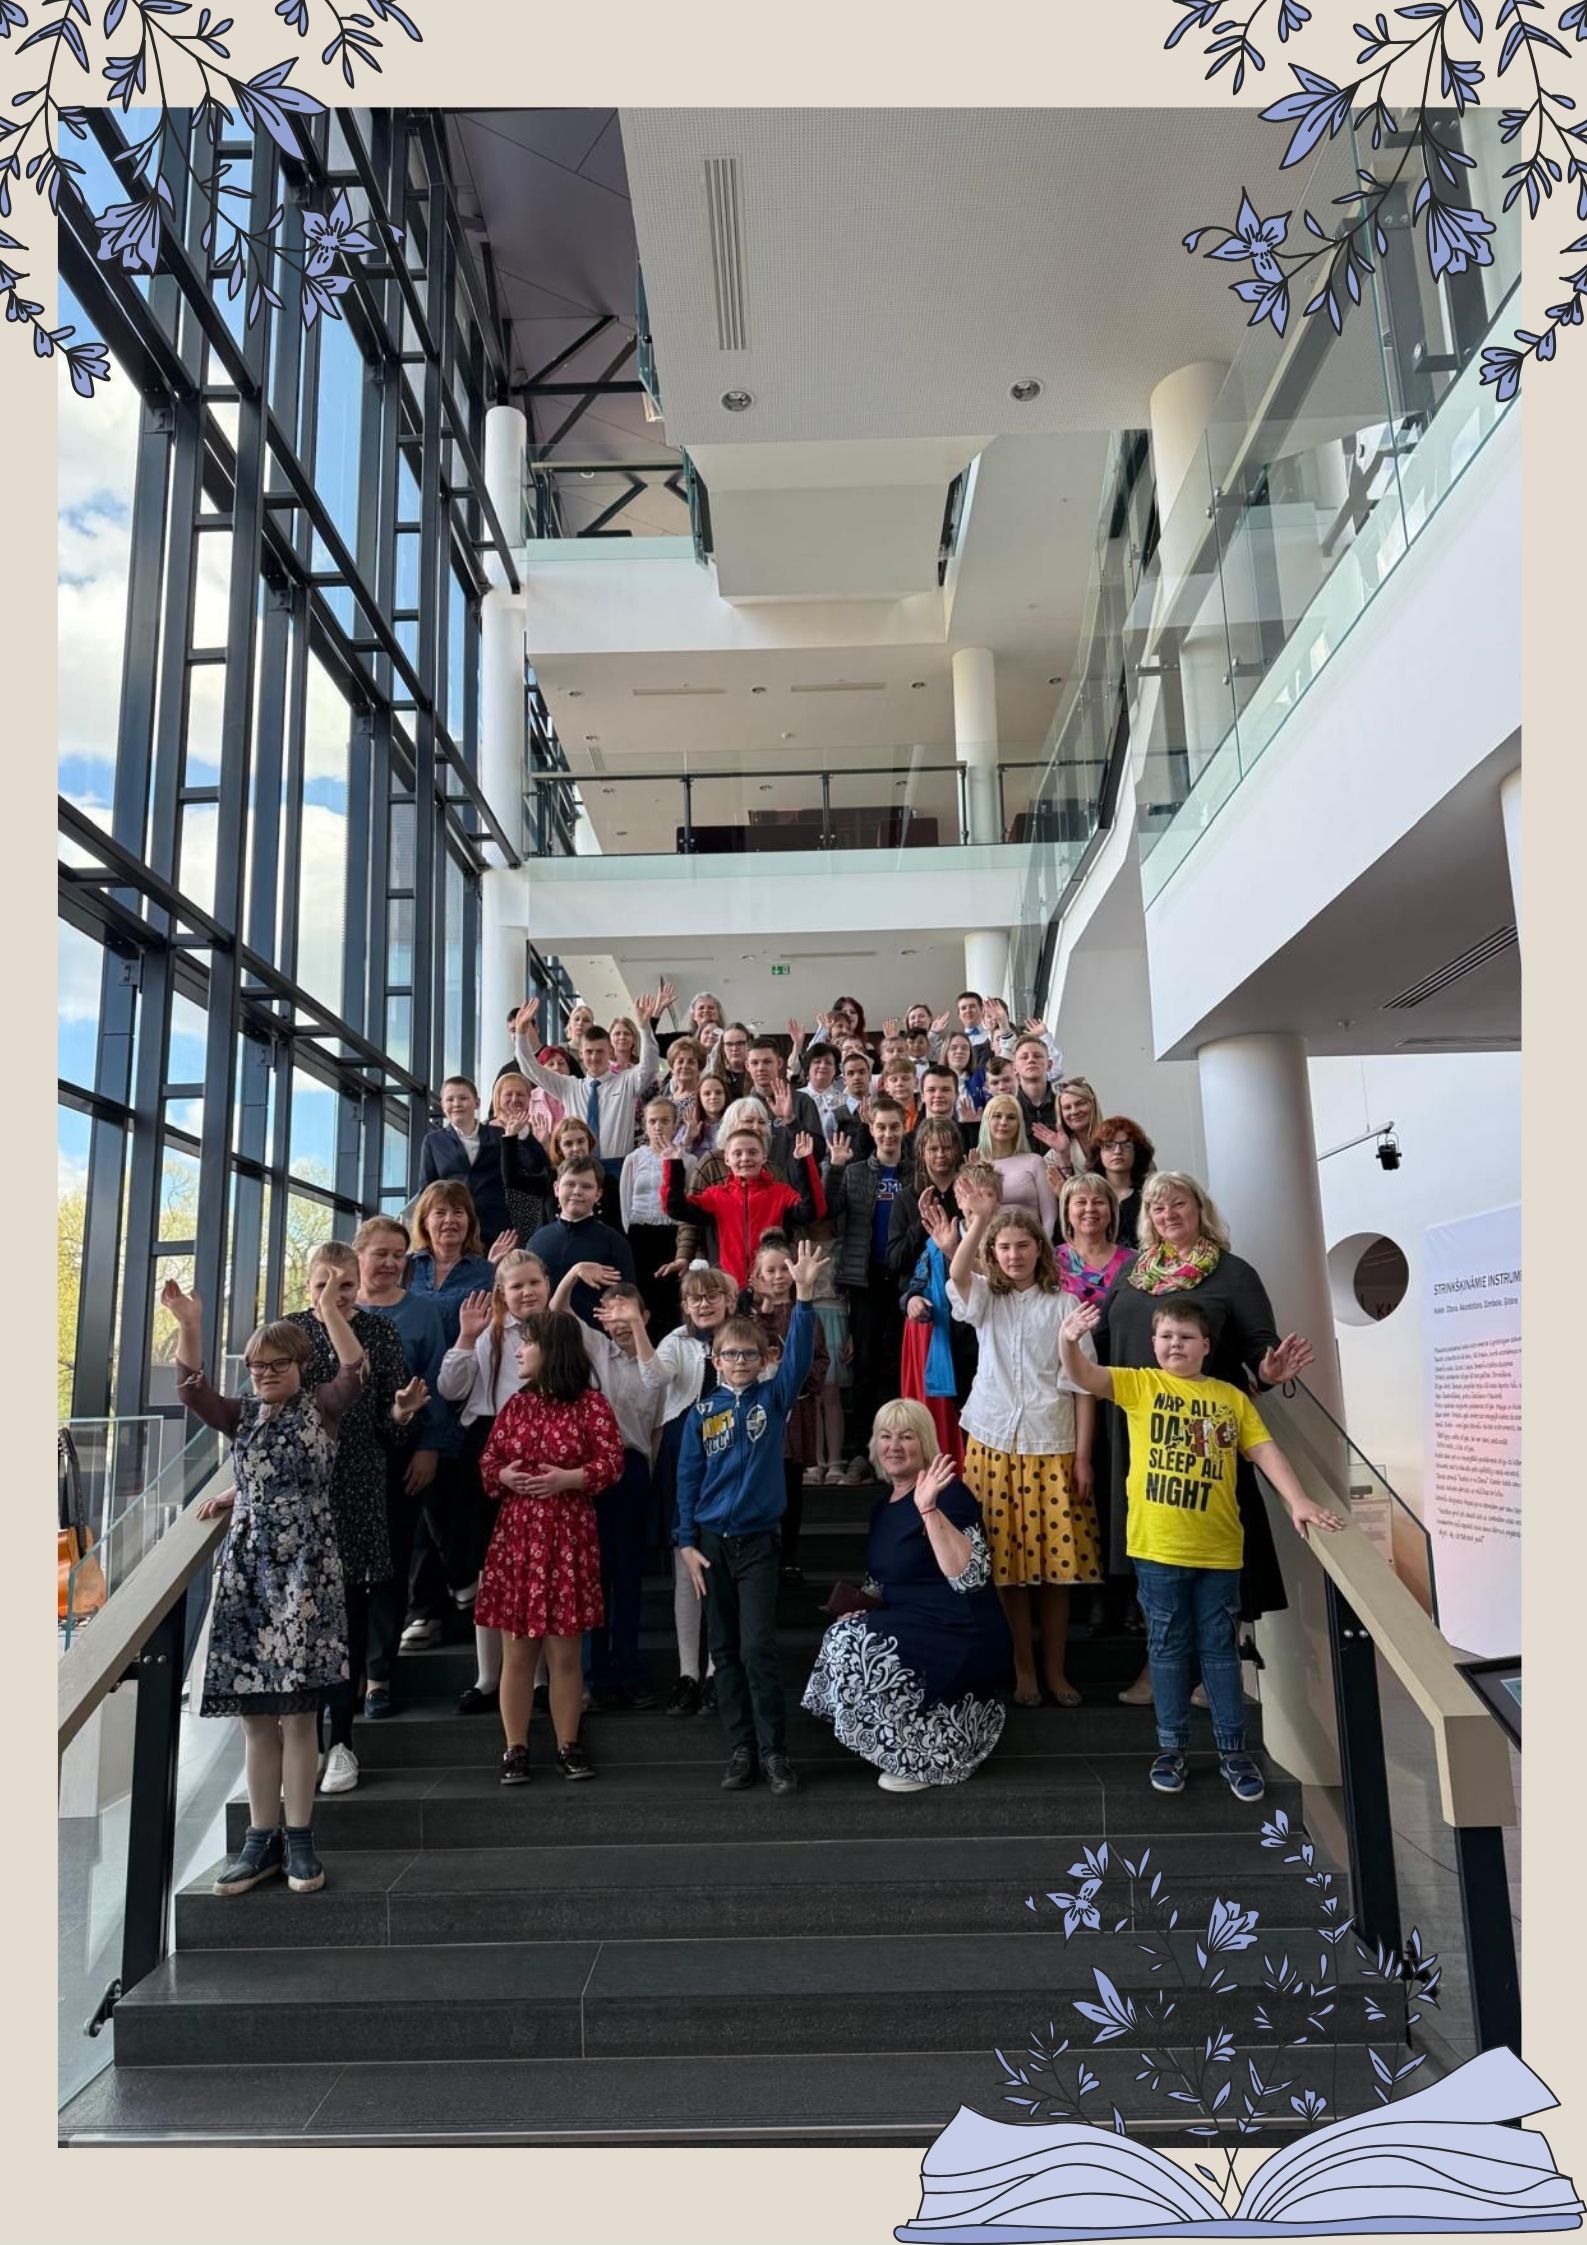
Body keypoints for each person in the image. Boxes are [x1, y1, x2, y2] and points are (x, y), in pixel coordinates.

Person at [1059, 1297, 1344, 1800]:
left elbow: (1264, 1450)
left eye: (1186, 1337)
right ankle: (1171, 1748)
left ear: (1206, 1346)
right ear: (1153, 1343)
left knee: (1219, 1651)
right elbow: (1085, 1375)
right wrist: (1068, 1340)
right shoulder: (1140, 1384)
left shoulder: (1230, 1396)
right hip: (1157, 1549)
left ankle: (1234, 1752)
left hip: (1219, 1551)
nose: (1176, 1344)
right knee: (1167, 1650)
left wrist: (1298, 1500)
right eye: (1167, 1336)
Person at [166, 1278, 366, 1899]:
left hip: (307, 1570)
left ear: (301, 1365)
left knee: (300, 1716)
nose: (265, 1374)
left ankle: (300, 1839)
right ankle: (259, 1841)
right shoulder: (242, 1416)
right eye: (257, 1366)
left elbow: (355, 1370)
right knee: (256, 1718)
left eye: (278, 1364)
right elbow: (192, 1391)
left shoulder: (322, 1406)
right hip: (249, 1569)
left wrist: (330, 1312)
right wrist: (190, 1324)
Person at [1099, 1170, 1315, 1708]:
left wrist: (1267, 1372)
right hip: (1137, 1429)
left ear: (1199, 1208)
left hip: (1206, 1435)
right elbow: (1102, 1339)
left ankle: (1218, 1667)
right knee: (1152, 1551)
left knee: (1218, 1549)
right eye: (1157, 1208)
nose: (1168, 1215)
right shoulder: (1133, 1272)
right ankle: (1161, 1662)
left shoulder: (1232, 1273)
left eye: (1178, 1204)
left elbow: (1261, 1353)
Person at [675, 1239, 825, 1795]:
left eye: (749, 1355)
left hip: (759, 1542)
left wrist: (804, 1298)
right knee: (723, 1650)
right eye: (730, 1356)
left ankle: (774, 1752)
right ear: (715, 1362)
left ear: (764, 1361)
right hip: (712, 1544)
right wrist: (686, 1542)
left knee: (757, 1647)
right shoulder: (702, 1414)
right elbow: (687, 1480)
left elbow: (801, 1358)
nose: (739, 1362)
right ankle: (741, 1750)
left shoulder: (772, 1400)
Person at [948, 1168, 1102, 1709]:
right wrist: (980, 1221)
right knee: (1007, 1570)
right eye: (1004, 1247)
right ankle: (1023, 1670)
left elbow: (1083, 1386)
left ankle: (1056, 1671)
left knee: (1057, 1572)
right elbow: (958, 1274)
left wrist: (1083, 1458)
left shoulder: (1064, 1305)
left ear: (1041, 1249)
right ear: (994, 1253)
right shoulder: (986, 1299)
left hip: (1052, 1444)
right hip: (993, 1442)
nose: (1013, 1255)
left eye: (1022, 1245)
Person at [802, 1403, 1012, 1790]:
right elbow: (880, 1581)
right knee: (842, 1635)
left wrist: (928, 1509)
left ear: (925, 1442)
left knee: (854, 1645)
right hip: (909, 1621)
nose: (894, 1446)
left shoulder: (950, 1495)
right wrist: (856, 1608)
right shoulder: (882, 1508)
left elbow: (969, 1577)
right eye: (886, 1436)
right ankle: (899, 1746)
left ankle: (927, 1758)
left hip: (957, 1627)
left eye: (906, 1436)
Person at [285, 1243, 427, 1797]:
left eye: (345, 1285)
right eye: (325, 1284)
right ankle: (301, 1742)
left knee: (348, 1615)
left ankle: (342, 1741)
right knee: (303, 1617)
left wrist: (400, 1412)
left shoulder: (379, 1332)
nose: (336, 1295)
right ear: (308, 1286)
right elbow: (265, 1413)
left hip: (360, 1483)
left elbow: (389, 1426)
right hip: (302, 1489)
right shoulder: (288, 1333)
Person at [475, 1308, 625, 1784]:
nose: (519, 1351)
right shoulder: (515, 1405)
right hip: (518, 1539)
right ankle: (514, 1749)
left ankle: (568, 1745)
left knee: (564, 1654)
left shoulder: (591, 1405)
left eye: (528, 1343)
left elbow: (612, 1462)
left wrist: (570, 1478)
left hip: (568, 1538)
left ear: (552, 1350)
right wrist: (503, 1475)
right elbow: (488, 1463)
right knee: (517, 1654)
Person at [436, 1250, 552, 1715]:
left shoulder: (563, 1331)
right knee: (490, 1566)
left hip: (548, 1444)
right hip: (491, 1442)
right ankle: (488, 1677)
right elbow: (451, 1389)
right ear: (502, 1292)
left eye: (533, 1283)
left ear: (547, 1284)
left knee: (538, 1565)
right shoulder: (489, 1333)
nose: (526, 1293)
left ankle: (539, 1680)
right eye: (515, 1286)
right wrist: (466, 1337)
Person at [351, 1215, 465, 1674]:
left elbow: (434, 1379)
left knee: (394, 1564)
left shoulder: (421, 1312)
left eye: (398, 1255)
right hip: (344, 1462)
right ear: (358, 1255)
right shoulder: (336, 1310)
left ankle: (380, 1673)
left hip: (403, 1455)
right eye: (380, 1254)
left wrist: (429, 1447)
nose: (390, 1263)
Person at [624, 1260, 739, 1715]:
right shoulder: (676, 1339)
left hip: (729, 1453)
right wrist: (638, 1329)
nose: (704, 1304)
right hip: (683, 1454)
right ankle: (687, 1673)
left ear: (728, 1300)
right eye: (694, 1298)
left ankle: (715, 1672)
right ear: (685, 1305)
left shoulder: (741, 1338)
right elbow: (654, 1377)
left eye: (712, 1296)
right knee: (684, 1564)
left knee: (719, 1565)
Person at [552, 1272, 668, 1710]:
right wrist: (572, 1274)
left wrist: (650, 1481)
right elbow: (557, 1310)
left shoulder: (656, 1362)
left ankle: (629, 1671)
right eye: (611, 1313)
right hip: (593, 1471)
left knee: (628, 1576)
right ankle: (593, 1674)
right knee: (593, 1575)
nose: (619, 1322)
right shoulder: (597, 1349)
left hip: (634, 1468)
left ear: (645, 1316)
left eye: (627, 1313)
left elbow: (656, 1430)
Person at [825, 1095, 908, 1481]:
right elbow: (828, 1210)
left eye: (895, 1126)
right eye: (881, 1127)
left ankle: (897, 1453)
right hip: (865, 1281)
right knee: (865, 1367)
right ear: (871, 1130)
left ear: (905, 1127)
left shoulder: (914, 1173)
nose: (888, 1134)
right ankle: (862, 1451)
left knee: (898, 1366)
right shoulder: (856, 1172)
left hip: (904, 1282)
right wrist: (835, 1168)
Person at [511, 986, 674, 1175]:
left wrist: (645, 1028)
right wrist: (521, 1034)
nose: (594, 1057)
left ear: (610, 1052)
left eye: (600, 1051)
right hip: (577, 1167)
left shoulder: (626, 1081)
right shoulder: (569, 1086)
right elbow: (531, 1069)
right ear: (580, 1054)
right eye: (589, 1052)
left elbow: (650, 1066)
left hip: (617, 1168)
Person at [746, 1234, 831, 1582]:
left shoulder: (804, 1312)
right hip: (759, 1412)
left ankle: (789, 1555)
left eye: (785, 1268)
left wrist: (798, 1378)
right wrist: (764, 1307)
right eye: (771, 1270)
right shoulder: (750, 1315)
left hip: (795, 1412)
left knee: (791, 1485)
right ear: (757, 1276)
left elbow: (820, 1358)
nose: (779, 1276)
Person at [663, 1120, 824, 1291]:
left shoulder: (780, 1193)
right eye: (737, 1153)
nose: (745, 1158)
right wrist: (673, 1165)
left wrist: (805, 1163)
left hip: (772, 1286)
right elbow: (675, 1208)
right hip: (731, 1287)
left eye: (752, 1152)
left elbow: (814, 1210)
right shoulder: (716, 1196)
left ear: (764, 1156)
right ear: (727, 1159)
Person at [896, 1157, 975, 1469]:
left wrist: (955, 1251)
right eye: (967, 1196)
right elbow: (916, 1283)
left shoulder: (1007, 1239)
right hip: (951, 1342)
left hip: (989, 1346)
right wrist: (912, 1300)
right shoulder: (939, 1239)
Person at [526, 1156, 637, 1326]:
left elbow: (626, 1300)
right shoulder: (537, 1241)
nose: (577, 1191)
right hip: (544, 1333)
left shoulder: (614, 1243)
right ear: (556, 1188)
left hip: (596, 1336)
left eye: (586, 1186)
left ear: (598, 1194)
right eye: (570, 1184)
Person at [406, 1181, 513, 1342]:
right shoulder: (405, 1267)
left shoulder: (487, 1273)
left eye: (458, 1212)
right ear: (424, 1222)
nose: (449, 1220)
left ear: (469, 1221)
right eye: (440, 1213)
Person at [620, 1096, 690, 1333]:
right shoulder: (634, 1159)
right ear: (645, 1125)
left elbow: (687, 1200)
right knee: (643, 1297)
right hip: (640, 1236)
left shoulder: (687, 1159)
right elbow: (625, 1201)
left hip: (673, 1235)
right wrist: (630, 1234)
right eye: (652, 1121)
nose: (658, 1126)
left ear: (675, 1124)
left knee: (671, 1300)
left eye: (664, 1121)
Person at [417, 1076, 513, 1245]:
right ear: (442, 1105)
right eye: (450, 1099)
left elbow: (513, 1178)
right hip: (452, 1227)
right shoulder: (433, 1141)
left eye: (463, 1098)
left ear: (477, 1103)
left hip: (496, 1225)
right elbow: (427, 1189)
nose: (457, 1104)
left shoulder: (499, 1135)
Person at [976, 1094, 1059, 1238]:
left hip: (1032, 1244)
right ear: (986, 1121)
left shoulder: (1035, 1162)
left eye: (1011, 1117)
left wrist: (1045, 1246)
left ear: (1019, 1124)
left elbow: (1049, 1218)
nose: (1004, 1122)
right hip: (989, 1245)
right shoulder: (976, 1166)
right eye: (997, 1116)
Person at [488, 1072, 556, 1243]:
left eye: (520, 1094)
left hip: (530, 1212)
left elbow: (543, 1171)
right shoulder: (486, 1131)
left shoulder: (537, 1129)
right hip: (496, 1209)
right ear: (498, 1098)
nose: (514, 1099)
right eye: (508, 1094)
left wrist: (543, 1144)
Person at [745, 1036, 825, 1149]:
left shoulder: (802, 1101)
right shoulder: (741, 1108)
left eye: (767, 1062)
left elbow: (819, 1150)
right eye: (754, 1063)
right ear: (747, 1066)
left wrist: (791, 1120)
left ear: (779, 1063)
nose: (761, 1068)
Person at [1095, 1113, 1157, 1247]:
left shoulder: (1150, 1194)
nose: (1117, 1151)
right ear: (1098, 1152)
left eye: (1126, 1145)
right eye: (1109, 1145)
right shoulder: (1091, 1195)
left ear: (1137, 1151)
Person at [1033, 1077, 1104, 1182]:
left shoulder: (1115, 1139)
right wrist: (1063, 1156)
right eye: (1067, 1107)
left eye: (1080, 1103)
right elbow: (1059, 1191)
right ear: (1061, 1113)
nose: (1074, 1111)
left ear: (1093, 1104)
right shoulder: (1052, 1157)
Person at [703, 1019, 752, 1101]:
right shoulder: (713, 1073)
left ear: (748, 1044)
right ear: (723, 1047)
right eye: (729, 1044)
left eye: (740, 1043)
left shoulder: (756, 1072)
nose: (734, 1048)